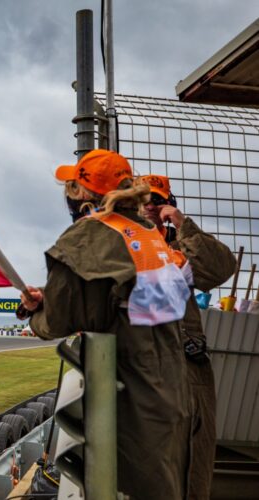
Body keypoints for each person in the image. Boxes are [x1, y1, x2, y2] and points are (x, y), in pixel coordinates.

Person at [18, 150, 192, 500]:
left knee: (118, 485)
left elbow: (59, 321)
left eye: (72, 187)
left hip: (126, 392)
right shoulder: (148, 233)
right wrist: (51, 297)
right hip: (172, 387)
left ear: (82, 193)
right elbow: (113, 298)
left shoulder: (90, 236)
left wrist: (37, 313)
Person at [142, 174, 236, 500]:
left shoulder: (182, 247)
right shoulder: (117, 242)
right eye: (143, 200)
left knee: (191, 473)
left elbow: (222, 267)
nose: (150, 206)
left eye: (158, 200)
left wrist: (184, 226)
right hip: (141, 374)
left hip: (188, 375)